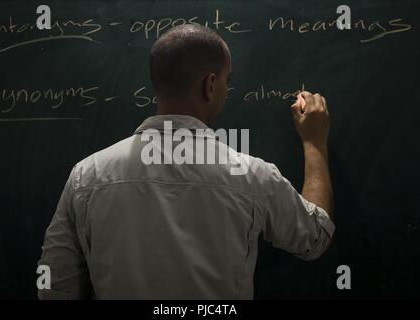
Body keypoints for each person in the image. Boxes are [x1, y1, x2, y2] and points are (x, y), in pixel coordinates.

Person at [38, 24, 335, 299]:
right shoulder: (252, 175)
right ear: (210, 85)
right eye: (227, 81)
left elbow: (56, 286)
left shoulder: (86, 176)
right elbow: (315, 236)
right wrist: (314, 142)